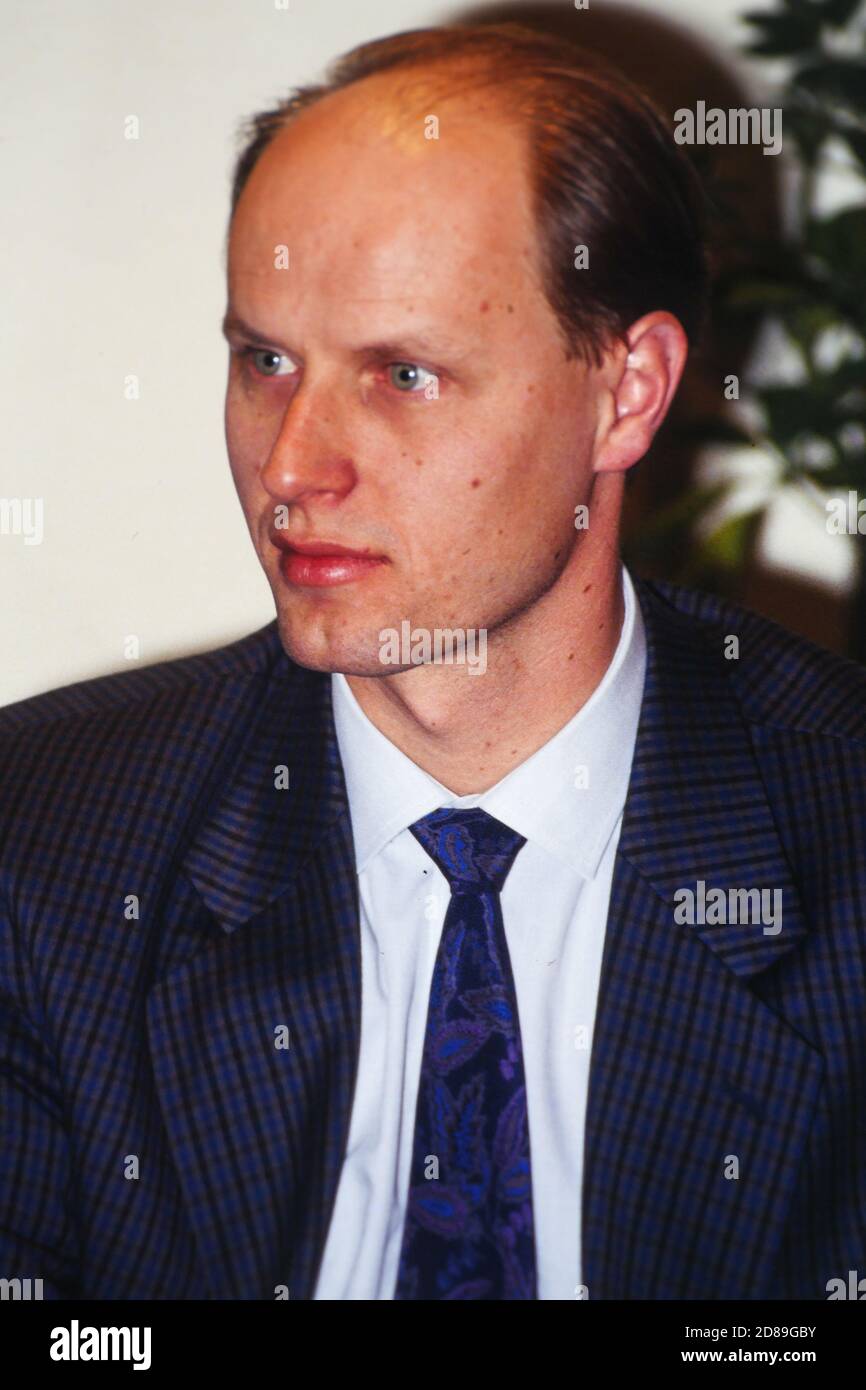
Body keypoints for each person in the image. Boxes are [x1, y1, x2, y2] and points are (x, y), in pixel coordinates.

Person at [1, 22, 864, 1302]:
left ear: (625, 393)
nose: (292, 468)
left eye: (403, 373)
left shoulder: (837, 829)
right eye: (265, 362)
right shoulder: (49, 838)